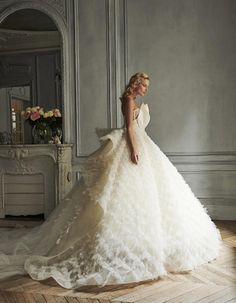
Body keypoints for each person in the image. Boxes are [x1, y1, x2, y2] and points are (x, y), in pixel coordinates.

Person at [0, 72, 222, 289]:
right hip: (133, 145)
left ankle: (145, 244)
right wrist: (134, 151)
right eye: (144, 85)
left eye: (147, 86)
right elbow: (129, 128)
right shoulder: (127, 99)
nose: (146, 89)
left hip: (143, 144)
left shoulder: (133, 100)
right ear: (135, 84)